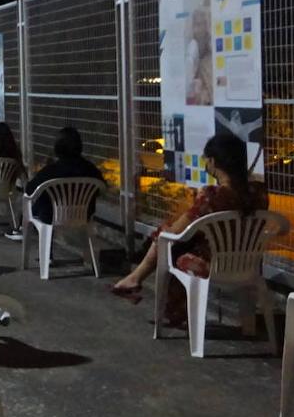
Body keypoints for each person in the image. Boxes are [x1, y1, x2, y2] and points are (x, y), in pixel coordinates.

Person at [110, 134, 267, 323]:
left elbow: (176, 231)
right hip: (248, 265)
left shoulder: (212, 196)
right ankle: (137, 281)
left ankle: (137, 279)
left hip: (213, 264)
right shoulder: (259, 193)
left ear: (213, 161)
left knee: (167, 239)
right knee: (176, 243)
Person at [21, 127, 104, 227]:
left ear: (57, 147)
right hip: (84, 215)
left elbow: (29, 190)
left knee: (36, 203)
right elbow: (101, 190)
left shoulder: (51, 170)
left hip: (51, 216)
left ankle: (22, 229)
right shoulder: (91, 169)